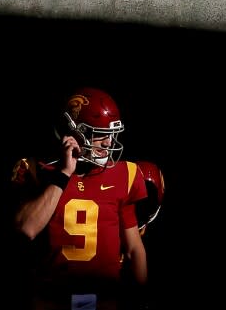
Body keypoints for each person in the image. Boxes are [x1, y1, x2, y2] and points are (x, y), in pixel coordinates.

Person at [9, 86, 154, 310]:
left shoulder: (126, 174)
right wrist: (65, 173)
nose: (108, 143)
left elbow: (134, 249)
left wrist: (142, 300)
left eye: (111, 135)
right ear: (75, 132)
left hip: (105, 302)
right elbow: (26, 228)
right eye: (100, 135)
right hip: (51, 301)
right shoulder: (39, 170)